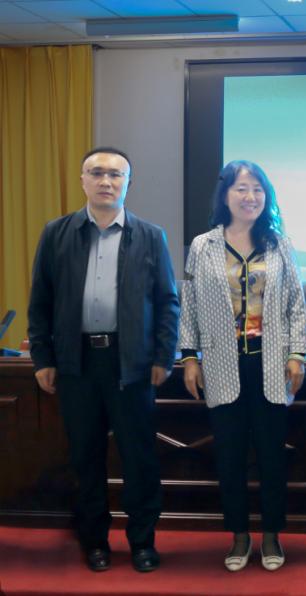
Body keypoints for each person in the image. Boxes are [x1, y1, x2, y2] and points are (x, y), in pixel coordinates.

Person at [27, 147, 179, 573]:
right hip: (76, 363)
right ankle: (94, 541)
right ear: (83, 180)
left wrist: (163, 356)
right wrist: (42, 357)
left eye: (115, 174)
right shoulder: (56, 234)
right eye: (96, 173)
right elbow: (40, 302)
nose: (106, 181)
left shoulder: (150, 236)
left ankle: (142, 542)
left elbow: (168, 302)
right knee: (85, 458)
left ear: (128, 182)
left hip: (132, 363)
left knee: (139, 458)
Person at [178, 160, 306, 572]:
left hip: (271, 366)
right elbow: (189, 307)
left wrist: (296, 354)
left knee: (272, 457)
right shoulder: (203, 246)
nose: (250, 196)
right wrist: (189, 358)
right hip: (221, 365)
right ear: (225, 195)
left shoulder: (279, 244)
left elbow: (296, 305)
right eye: (241, 188)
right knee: (230, 457)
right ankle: (238, 535)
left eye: (257, 189)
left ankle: (271, 535)